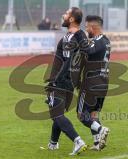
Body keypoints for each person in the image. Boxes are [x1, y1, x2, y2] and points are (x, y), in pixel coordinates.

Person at [45, 7, 88, 155]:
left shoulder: (70, 37)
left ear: (71, 19)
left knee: (56, 115)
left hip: (61, 80)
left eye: (66, 13)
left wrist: (55, 80)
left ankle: (78, 141)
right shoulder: (78, 36)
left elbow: (67, 62)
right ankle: (53, 143)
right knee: (58, 114)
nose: (63, 15)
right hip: (70, 82)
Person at [77, 15, 110, 151]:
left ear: (93, 27)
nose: (86, 30)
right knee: (93, 114)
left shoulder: (98, 41)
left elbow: (89, 50)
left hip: (92, 82)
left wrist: (79, 39)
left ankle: (101, 129)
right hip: (103, 81)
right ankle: (97, 143)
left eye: (86, 27)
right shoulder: (106, 40)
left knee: (81, 115)